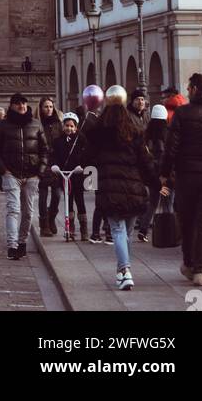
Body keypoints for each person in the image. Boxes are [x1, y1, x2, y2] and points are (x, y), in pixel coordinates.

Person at [81, 84, 152, 291]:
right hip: (133, 186)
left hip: (110, 187)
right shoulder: (135, 131)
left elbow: (87, 159)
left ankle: (124, 270)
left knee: (118, 230)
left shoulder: (97, 132)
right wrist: (157, 183)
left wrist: (88, 177)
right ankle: (124, 270)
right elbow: (146, 161)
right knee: (126, 232)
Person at [160, 72, 202, 287]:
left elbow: (171, 147)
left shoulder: (182, 113)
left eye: (188, 88)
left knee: (187, 220)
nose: (187, 92)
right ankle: (200, 270)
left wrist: (165, 172)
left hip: (187, 174)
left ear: (195, 89)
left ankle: (188, 264)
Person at [0, 91, 48, 260]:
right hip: (11, 173)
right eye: (18, 103)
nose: (22, 106)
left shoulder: (36, 124)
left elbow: (44, 150)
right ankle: (12, 245)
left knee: (28, 212)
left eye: (24, 103)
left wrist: (39, 172)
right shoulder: (2, 125)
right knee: (13, 209)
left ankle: (22, 241)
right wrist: (3, 170)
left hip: (31, 175)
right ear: (12, 105)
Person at [50, 111, 87, 240]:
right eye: (67, 125)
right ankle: (70, 227)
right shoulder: (58, 141)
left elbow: (85, 156)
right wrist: (54, 166)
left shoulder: (81, 140)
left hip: (77, 174)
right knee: (68, 201)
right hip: (65, 175)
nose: (69, 128)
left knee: (80, 201)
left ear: (76, 127)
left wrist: (82, 167)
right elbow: (53, 156)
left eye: (72, 126)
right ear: (63, 126)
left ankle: (84, 229)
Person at [137, 104, 168, 243]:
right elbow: (165, 155)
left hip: (151, 174)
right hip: (164, 174)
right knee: (168, 203)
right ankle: (168, 230)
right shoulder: (166, 133)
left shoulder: (147, 134)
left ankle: (143, 229)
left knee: (153, 203)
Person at [37, 96, 64, 237]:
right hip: (42, 162)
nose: (48, 109)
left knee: (57, 194)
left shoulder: (58, 123)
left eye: (51, 106)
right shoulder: (37, 123)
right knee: (42, 195)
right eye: (46, 106)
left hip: (56, 162)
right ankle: (43, 225)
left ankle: (51, 216)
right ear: (41, 108)